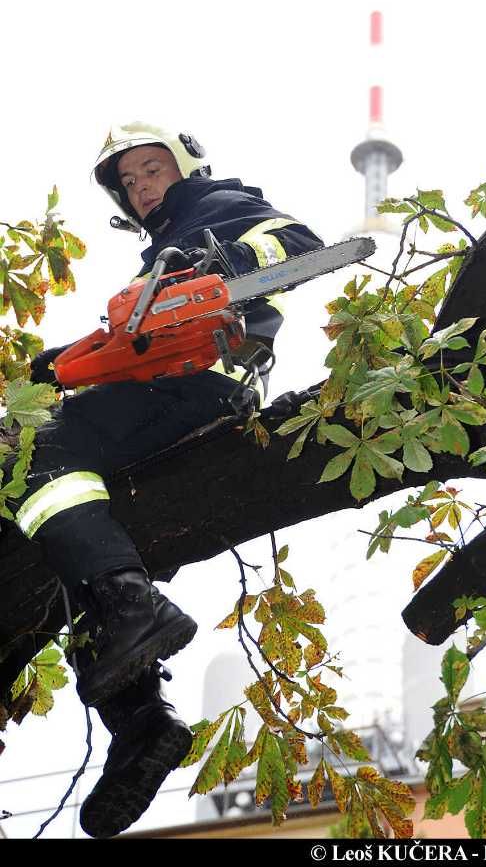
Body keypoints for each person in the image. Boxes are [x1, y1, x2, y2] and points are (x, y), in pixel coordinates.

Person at [19, 123, 324, 837]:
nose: (143, 184)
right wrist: (61, 360)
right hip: (158, 388)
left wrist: (224, 256)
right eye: (131, 181)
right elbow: (132, 339)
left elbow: (301, 246)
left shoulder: (215, 203)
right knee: (67, 547)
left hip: (200, 383)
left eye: (152, 168)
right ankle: (140, 722)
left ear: (183, 167)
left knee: (37, 455)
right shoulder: (158, 254)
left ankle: (134, 606)